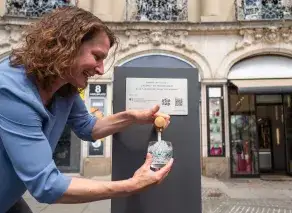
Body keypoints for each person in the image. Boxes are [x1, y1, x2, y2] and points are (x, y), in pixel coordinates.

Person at [0, 6, 173, 213]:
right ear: (66, 45)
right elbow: (46, 185)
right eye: (97, 56)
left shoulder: (65, 86)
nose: (100, 70)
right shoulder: (11, 90)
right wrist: (131, 185)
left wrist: (132, 117)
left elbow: (88, 127)